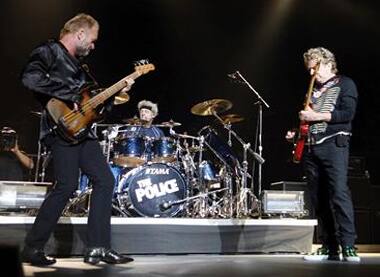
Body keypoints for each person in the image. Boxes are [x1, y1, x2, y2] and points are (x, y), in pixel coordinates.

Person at [21, 13, 134, 266]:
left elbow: (90, 106)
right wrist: (69, 92)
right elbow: (30, 78)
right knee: (67, 185)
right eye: (92, 40)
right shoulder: (49, 50)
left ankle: (98, 248)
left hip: (83, 131)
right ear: (80, 34)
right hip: (61, 128)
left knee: (105, 180)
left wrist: (114, 96)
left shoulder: (81, 67)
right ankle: (32, 247)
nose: (93, 46)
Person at [286, 47, 360, 262]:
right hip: (311, 146)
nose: (311, 74)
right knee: (318, 198)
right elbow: (307, 121)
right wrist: (295, 131)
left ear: (327, 63)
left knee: (338, 193)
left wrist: (315, 115)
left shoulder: (345, 84)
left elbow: (347, 114)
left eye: (314, 68)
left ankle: (348, 246)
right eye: (309, 70)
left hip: (334, 144)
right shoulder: (312, 90)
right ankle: (329, 246)